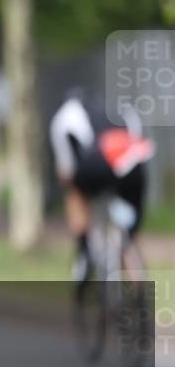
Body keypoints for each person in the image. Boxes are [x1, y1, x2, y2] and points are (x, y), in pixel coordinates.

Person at [49, 88, 154, 281]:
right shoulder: (123, 109)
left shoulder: (64, 116)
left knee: (74, 190)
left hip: (98, 163)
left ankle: (84, 249)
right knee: (129, 233)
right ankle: (137, 281)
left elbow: (66, 171)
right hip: (133, 166)